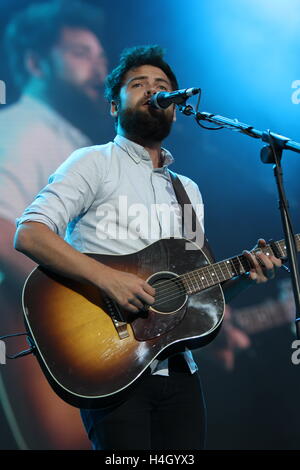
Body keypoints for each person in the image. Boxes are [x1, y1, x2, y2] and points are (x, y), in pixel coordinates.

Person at [14, 45, 282, 450]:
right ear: (113, 106)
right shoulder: (92, 162)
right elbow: (29, 232)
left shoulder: (187, 190)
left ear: (175, 107)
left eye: (162, 87)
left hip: (179, 371)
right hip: (110, 360)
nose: (153, 91)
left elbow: (201, 291)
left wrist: (247, 275)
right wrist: (110, 280)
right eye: (138, 84)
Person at [0, 0, 111, 450]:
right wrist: (89, 307)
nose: (100, 68)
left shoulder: (78, 143)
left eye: (102, 57)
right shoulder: (23, 129)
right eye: (81, 53)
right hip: (57, 343)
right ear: (34, 63)